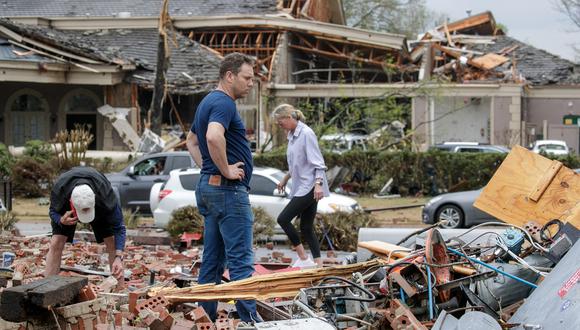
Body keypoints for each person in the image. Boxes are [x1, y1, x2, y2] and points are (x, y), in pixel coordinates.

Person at [186, 52, 260, 322]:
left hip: (210, 189)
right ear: (230, 76)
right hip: (228, 191)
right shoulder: (224, 103)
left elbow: (191, 141)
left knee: (212, 263)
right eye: (246, 77)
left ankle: (202, 319)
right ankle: (251, 323)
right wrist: (225, 168)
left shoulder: (207, 101)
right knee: (241, 263)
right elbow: (212, 136)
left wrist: (207, 167)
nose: (251, 83)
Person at [45, 166, 126, 286]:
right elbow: (52, 211)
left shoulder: (106, 197)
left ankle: (119, 291)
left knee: (112, 241)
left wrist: (119, 257)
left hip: (99, 200)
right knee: (56, 242)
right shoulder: (59, 191)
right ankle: (47, 287)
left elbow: (119, 228)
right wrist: (60, 220)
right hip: (67, 200)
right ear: (71, 203)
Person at [273, 104, 330, 268]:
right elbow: (297, 164)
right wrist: (285, 178)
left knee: (283, 219)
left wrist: (318, 184)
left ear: (289, 117)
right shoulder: (291, 135)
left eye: (280, 121)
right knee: (306, 227)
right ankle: (318, 265)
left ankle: (304, 258)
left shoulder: (306, 134)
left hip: (311, 186)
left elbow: (318, 162)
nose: (279, 124)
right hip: (303, 185)